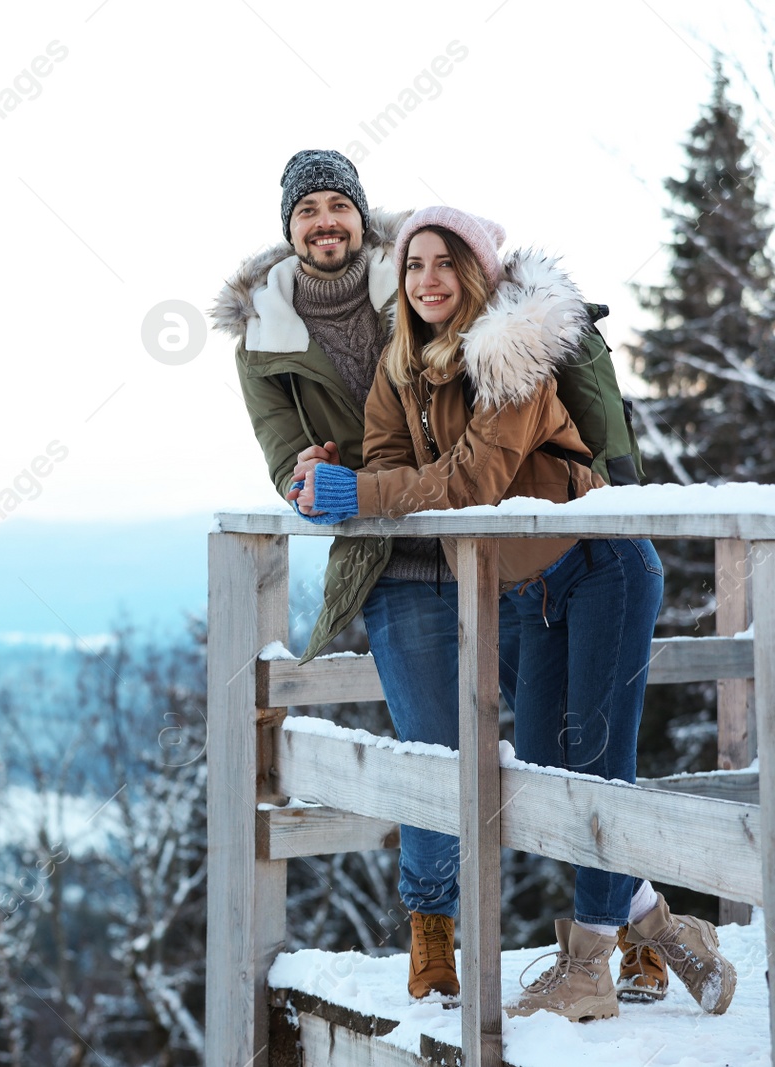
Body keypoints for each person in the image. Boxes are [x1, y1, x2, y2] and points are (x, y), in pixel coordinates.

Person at [293, 205, 737, 1022]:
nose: (428, 278)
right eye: (415, 263)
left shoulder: (516, 356)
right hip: (529, 589)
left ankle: (588, 969)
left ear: (479, 275)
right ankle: (671, 931)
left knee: (596, 766)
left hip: (603, 569)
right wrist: (329, 476)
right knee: (538, 784)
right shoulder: (402, 367)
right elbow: (393, 464)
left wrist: (360, 494)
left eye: (446, 263)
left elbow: (471, 480)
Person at [211, 150, 518, 1001]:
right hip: (392, 561)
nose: (324, 222)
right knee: (430, 747)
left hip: (487, 540)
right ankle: (432, 933)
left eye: (336, 206)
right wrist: (299, 474)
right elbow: (282, 450)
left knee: (557, 737)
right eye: (306, 209)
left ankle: (615, 919)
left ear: (360, 215)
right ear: (289, 228)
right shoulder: (265, 335)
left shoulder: (418, 277)